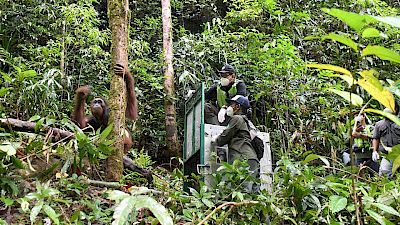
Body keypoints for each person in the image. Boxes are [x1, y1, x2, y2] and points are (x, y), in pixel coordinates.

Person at [211, 95, 258, 192]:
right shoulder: (247, 122)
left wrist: (215, 139)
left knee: (236, 190)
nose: (229, 107)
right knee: (251, 193)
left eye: (231, 105)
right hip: (252, 159)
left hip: (242, 158)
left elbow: (224, 137)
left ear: (238, 107)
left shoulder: (237, 118)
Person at [372, 104, 400, 176]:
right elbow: (376, 138)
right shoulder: (379, 124)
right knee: (384, 173)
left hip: (398, 153)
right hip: (387, 155)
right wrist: (374, 151)